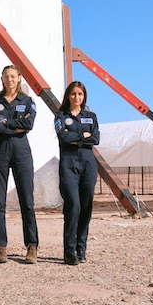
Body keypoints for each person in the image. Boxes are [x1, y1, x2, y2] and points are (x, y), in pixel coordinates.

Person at [0, 65, 39, 264]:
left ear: (19, 78)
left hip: (21, 151)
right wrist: (14, 127)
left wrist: (5, 123)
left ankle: (32, 245)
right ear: (2, 79)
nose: (10, 80)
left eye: (13, 76)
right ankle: (0, 246)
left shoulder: (27, 101)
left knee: (27, 201)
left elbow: (29, 124)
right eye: (6, 76)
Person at [54, 81, 100, 265]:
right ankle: (69, 251)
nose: (77, 97)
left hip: (88, 163)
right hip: (69, 163)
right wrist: (83, 136)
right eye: (73, 94)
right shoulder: (60, 116)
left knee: (86, 206)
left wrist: (76, 138)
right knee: (73, 205)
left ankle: (81, 248)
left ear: (84, 96)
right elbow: (63, 137)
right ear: (68, 96)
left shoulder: (91, 116)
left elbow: (96, 138)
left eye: (80, 94)